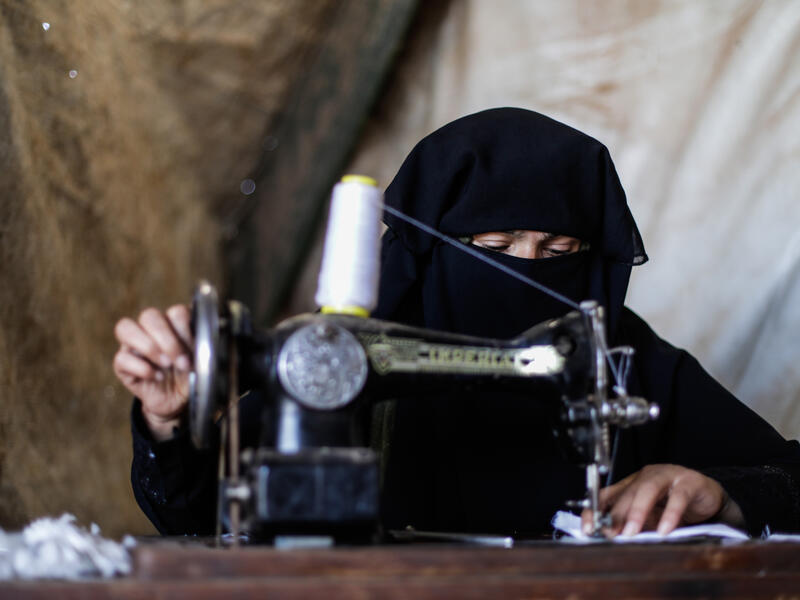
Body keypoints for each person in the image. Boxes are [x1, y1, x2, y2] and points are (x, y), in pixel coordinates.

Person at [115, 107, 800, 538]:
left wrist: (727, 496)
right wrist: (173, 427)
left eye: (562, 255)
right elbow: (192, 514)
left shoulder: (623, 358)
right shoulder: (343, 357)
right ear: (429, 249)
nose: (528, 276)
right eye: (495, 252)